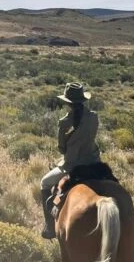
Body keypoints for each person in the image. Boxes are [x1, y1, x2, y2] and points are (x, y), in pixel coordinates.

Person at [40, 82, 100, 239]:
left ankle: (50, 227)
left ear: (67, 102)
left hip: (72, 166)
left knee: (45, 183)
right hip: (94, 163)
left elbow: (62, 149)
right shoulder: (94, 117)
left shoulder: (64, 122)